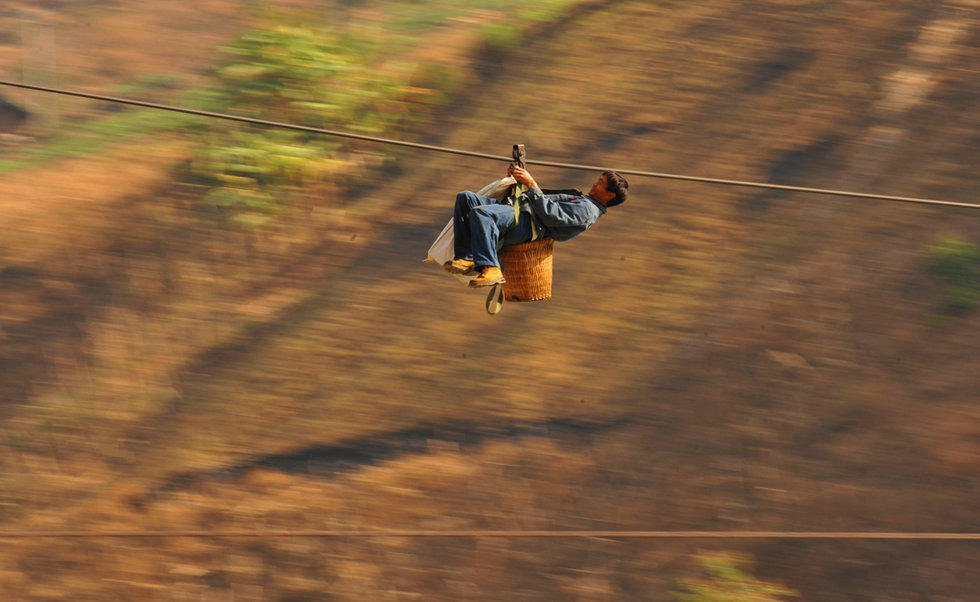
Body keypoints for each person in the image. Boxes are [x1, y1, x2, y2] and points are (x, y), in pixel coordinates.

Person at [447, 165, 629, 286]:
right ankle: (467, 257)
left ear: (610, 195)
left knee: (482, 213)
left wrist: (531, 184)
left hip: (527, 223)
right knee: (466, 198)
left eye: (601, 183)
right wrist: (516, 182)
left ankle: (491, 268)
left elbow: (552, 215)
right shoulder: (583, 200)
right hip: (517, 209)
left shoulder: (588, 211)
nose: (595, 183)